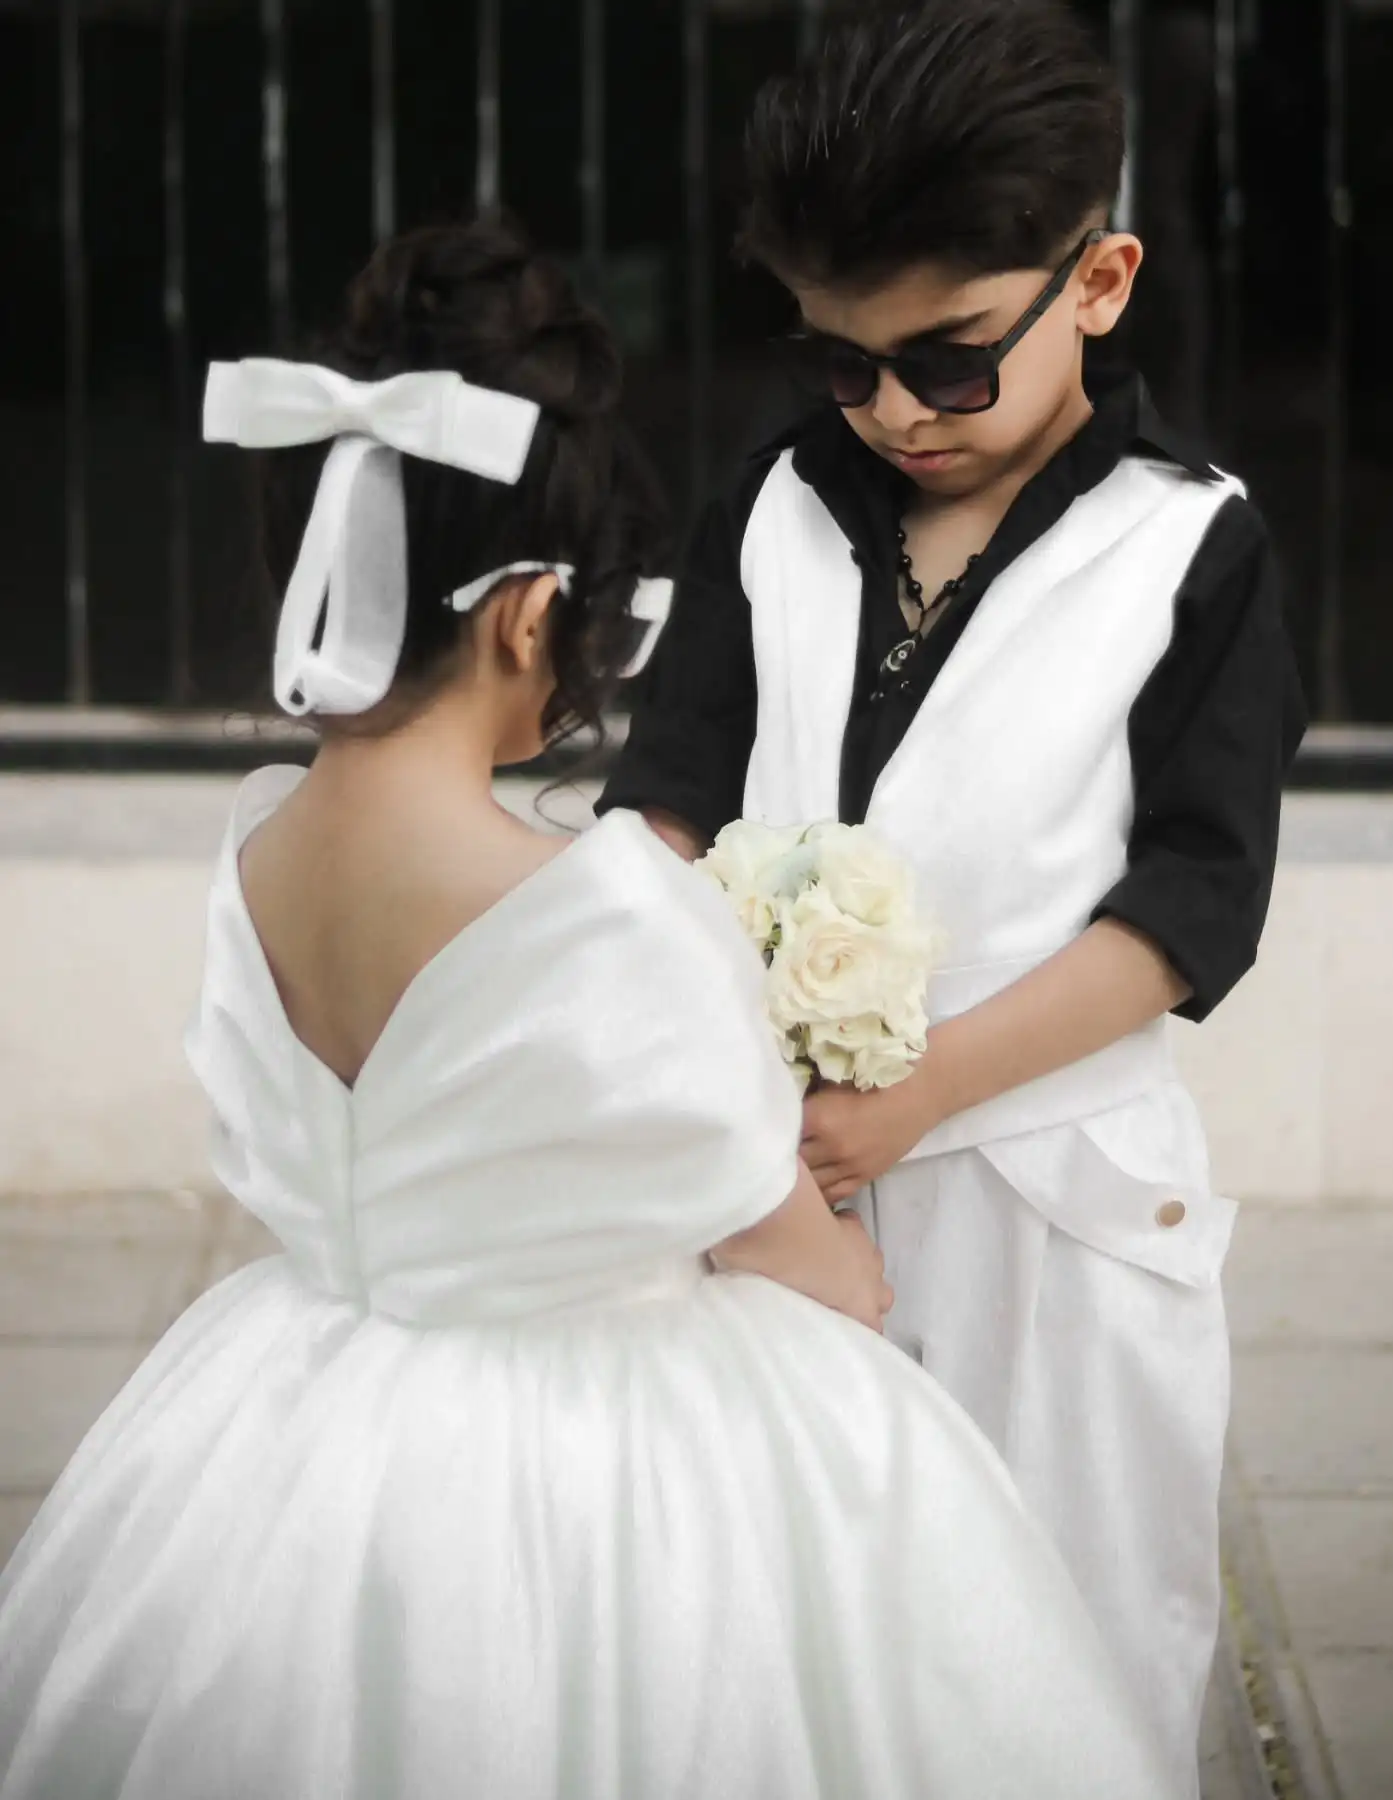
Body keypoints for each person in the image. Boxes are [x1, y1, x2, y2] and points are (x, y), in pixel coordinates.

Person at [0, 219, 1170, 1800]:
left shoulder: (253, 854)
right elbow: (775, 1233)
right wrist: (848, 1278)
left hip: (298, 1402)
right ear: (530, 613)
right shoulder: (602, 905)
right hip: (595, 1454)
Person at [598, 4, 1308, 1794]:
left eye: (955, 357)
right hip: (766, 1190)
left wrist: (917, 1097)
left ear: (1103, 276)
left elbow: (1192, 907)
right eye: (846, 363)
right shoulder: (766, 501)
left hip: (1049, 1209)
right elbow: (667, 799)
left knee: (1050, 1661)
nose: (899, 411)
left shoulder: (1186, 545)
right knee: (781, 1653)